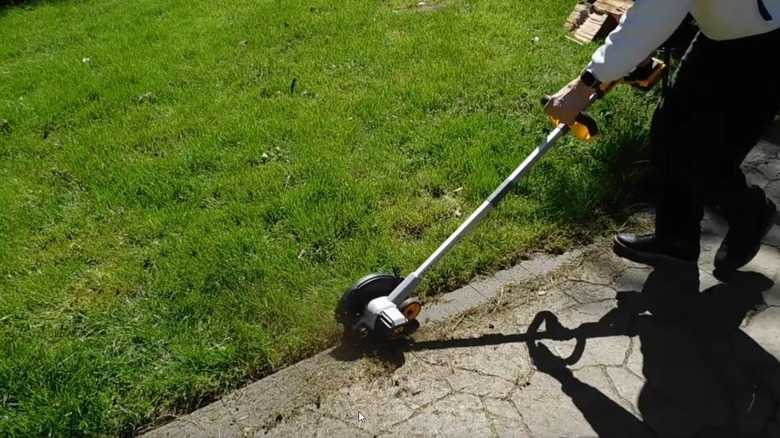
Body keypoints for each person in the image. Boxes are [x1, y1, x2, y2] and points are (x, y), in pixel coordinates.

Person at [544, 0, 780, 273]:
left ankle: (751, 213)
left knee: (711, 158)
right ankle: (676, 240)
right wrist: (635, 55)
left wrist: (584, 85)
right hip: (720, 35)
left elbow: (656, 10)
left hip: (766, 45)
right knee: (670, 130)